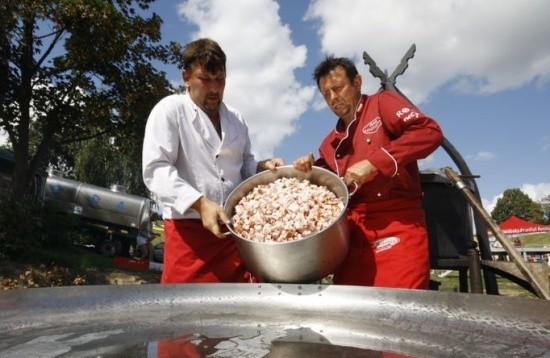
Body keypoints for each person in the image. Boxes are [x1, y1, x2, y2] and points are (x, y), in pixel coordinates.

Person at [294, 56, 443, 289]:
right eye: (326, 94)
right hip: (353, 236)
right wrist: (307, 169)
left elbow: (429, 132)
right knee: (348, 309)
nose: (333, 98)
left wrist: (373, 163)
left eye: (338, 88)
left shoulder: (382, 103)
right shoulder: (329, 143)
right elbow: (329, 181)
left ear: (357, 82)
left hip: (398, 224)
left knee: (398, 307)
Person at [142, 38, 283, 284]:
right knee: (186, 314)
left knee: (238, 312)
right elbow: (156, 169)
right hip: (189, 236)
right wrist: (201, 203)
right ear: (186, 77)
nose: (214, 89)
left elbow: (244, 165)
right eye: (205, 80)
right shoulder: (170, 110)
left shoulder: (236, 119)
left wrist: (260, 167)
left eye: (220, 80)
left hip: (234, 237)